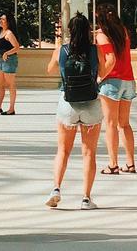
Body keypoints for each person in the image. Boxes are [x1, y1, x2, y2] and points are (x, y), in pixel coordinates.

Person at [45, 12, 102, 210]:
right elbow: (103, 72)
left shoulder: (63, 50)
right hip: (91, 105)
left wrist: (57, 45)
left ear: (70, 31)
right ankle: (86, 198)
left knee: (63, 150)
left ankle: (56, 188)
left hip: (67, 103)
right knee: (88, 153)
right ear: (88, 31)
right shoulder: (95, 51)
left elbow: (50, 70)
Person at [94, 3, 137, 174]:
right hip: (128, 80)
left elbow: (110, 60)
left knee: (111, 124)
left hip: (112, 82)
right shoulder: (123, 30)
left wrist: (99, 78)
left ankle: (113, 164)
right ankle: (131, 163)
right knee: (124, 124)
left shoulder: (102, 34)